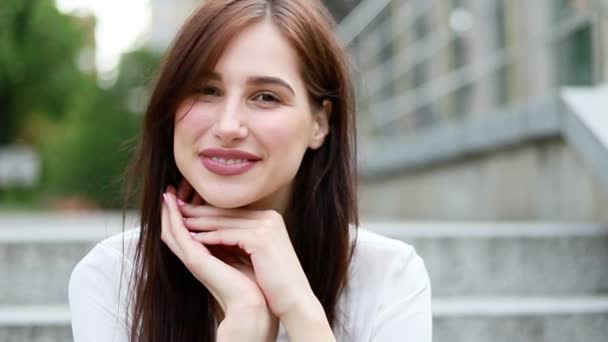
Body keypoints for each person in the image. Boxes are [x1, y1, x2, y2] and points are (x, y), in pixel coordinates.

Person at [68, 0, 432, 341]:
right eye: (206, 91)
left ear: (319, 123)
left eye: (266, 97)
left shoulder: (390, 276)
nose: (228, 126)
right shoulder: (110, 276)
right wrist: (245, 318)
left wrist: (303, 313)